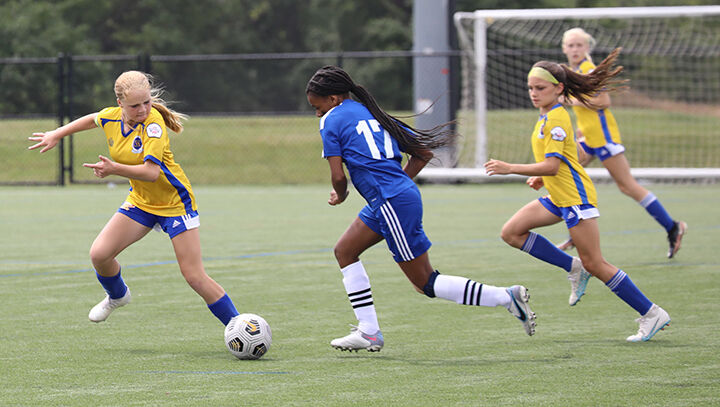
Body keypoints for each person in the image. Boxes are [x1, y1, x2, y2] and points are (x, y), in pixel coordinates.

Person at [306, 65, 536, 353]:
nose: (316, 113)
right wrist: (397, 183)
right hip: (391, 199)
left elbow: (338, 177)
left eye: (317, 107)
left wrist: (340, 195)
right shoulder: (373, 114)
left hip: (390, 202)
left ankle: (505, 297)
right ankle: (368, 331)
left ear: (334, 99)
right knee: (345, 251)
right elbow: (423, 153)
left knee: (425, 283)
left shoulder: (330, 121)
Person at [484, 49, 671, 342]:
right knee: (512, 232)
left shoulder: (557, 119)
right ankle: (573, 267)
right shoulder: (546, 116)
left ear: (559, 88)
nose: (534, 93)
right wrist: (540, 177)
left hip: (575, 198)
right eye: (531, 88)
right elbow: (562, 160)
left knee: (597, 263)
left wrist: (511, 168)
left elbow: (553, 164)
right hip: (559, 196)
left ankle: (651, 313)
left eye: (540, 88)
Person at [28, 71, 240, 328]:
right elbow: (92, 119)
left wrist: (113, 169)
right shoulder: (112, 117)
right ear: (120, 104)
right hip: (141, 202)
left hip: (174, 204)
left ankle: (239, 326)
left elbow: (151, 173)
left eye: (147, 102)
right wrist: (57, 133)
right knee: (100, 254)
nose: (143, 109)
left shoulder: (153, 124)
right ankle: (117, 296)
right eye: (135, 105)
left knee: (194, 276)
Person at [558, 27, 686, 258]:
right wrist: (579, 127)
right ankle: (578, 231)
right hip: (588, 137)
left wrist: (570, 100)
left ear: (587, 47)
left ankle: (673, 227)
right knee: (566, 176)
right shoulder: (574, 70)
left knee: (627, 186)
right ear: (564, 48)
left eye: (579, 45)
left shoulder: (589, 69)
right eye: (571, 45)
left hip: (604, 137)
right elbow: (586, 109)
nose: (575, 49)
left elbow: (603, 101)